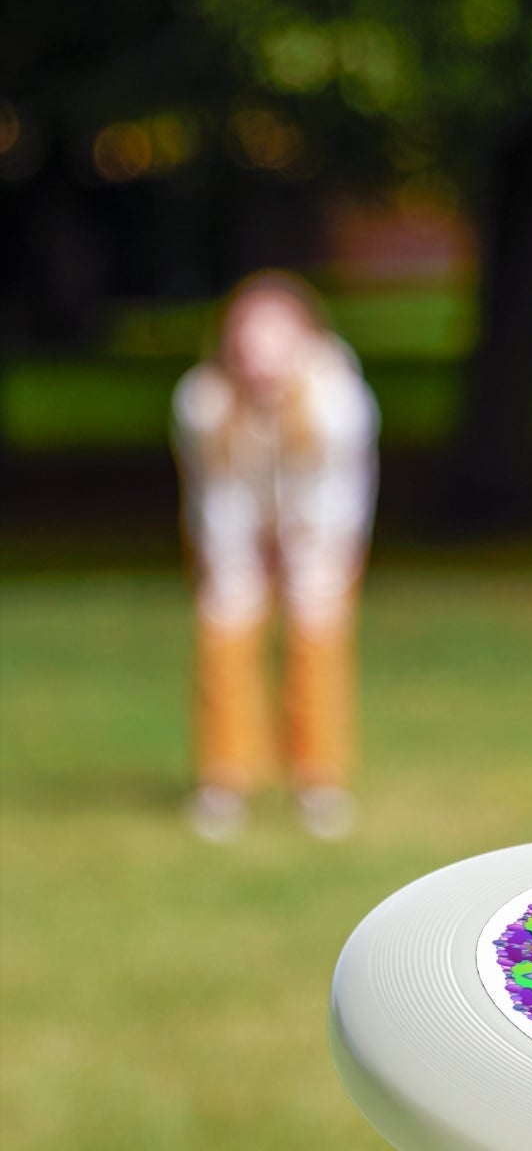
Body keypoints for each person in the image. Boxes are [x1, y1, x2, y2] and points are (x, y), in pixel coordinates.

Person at [172, 271, 379, 843]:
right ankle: (225, 779)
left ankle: (319, 781)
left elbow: (336, 496)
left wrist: (304, 557)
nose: (259, 355)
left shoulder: (338, 400)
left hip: (320, 533)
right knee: (225, 632)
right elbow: (217, 496)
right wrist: (238, 564)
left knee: (317, 639)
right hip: (234, 531)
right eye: (248, 338)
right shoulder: (203, 402)